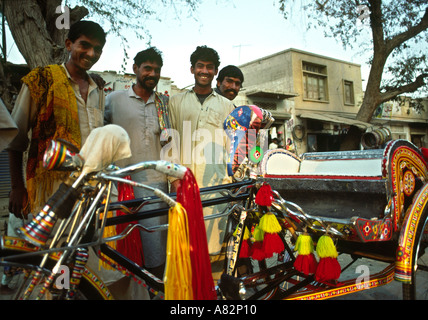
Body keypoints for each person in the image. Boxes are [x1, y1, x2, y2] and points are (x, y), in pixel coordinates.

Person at [5, 20, 111, 293]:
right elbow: (16, 140)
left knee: (75, 262)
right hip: (49, 194)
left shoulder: (99, 90)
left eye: (97, 49)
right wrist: (17, 187)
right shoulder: (41, 80)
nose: (90, 54)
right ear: (68, 44)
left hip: (87, 196)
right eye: (84, 45)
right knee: (47, 262)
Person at [104, 47, 170, 279]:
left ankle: (154, 291)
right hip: (121, 186)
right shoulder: (113, 99)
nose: (152, 73)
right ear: (135, 69)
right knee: (123, 244)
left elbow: (169, 145)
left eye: (157, 70)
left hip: (156, 186)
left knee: (155, 247)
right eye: (147, 68)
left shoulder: (164, 104)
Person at [168, 45, 235, 255]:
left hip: (216, 184)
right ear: (192, 69)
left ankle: (210, 286)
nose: (204, 71)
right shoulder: (175, 101)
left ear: (215, 72)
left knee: (211, 246)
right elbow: (169, 141)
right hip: (182, 182)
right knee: (183, 246)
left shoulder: (227, 106)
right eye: (200, 66)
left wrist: (230, 180)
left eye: (209, 67)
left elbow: (232, 148)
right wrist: (173, 179)